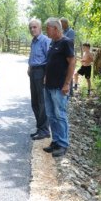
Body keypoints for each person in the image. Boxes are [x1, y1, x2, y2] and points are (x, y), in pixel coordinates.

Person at [42, 18, 76, 157]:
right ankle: (55, 141)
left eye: (47, 28)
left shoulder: (66, 42)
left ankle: (63, 144)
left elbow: (72, 62)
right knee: (51, 115)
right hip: (49, 85)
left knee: (59, 115)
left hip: (59, 87)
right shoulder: (52, 43)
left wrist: (67, 83)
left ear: (55, 28)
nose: (46, 31)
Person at [27, 19, 51, 140]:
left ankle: (45, 130)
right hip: (33, 72)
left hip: (42, 72)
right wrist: (29, 67)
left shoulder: (45, 41)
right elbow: (32, 56)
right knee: (35, 102)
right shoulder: (34, 41)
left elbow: (49, 59)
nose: (32, 29)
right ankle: (40, 127)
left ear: (40, 28)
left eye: (34, 27)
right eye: (30, 27)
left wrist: (46, 75)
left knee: (42, 103)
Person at [60, 17, 76, 96]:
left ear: (66, 23)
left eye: (61, 23)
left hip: (69, 54)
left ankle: (71, 91)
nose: (60, 24)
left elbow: (70, 42)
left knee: (69, 71)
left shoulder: (71, 31)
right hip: (62, 55)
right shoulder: (61, 31)